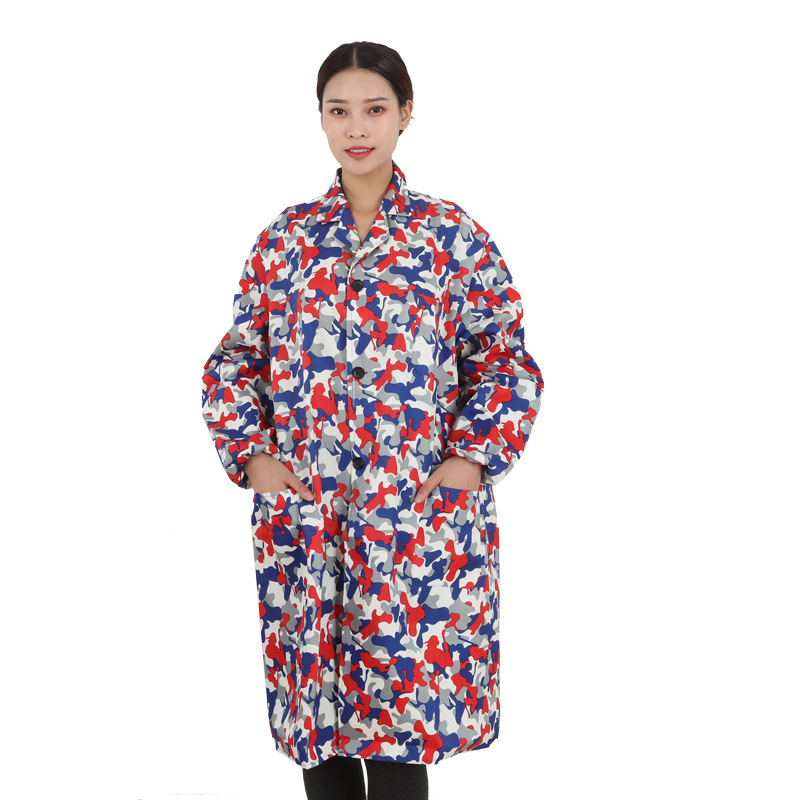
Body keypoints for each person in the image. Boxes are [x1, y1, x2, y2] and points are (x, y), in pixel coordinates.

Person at [200, 41, 544, 800]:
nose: (357, 128)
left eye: (375, 109)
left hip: (411, 523)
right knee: (319, 734)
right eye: (339, 110)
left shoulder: (450, 238)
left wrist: (471, 459)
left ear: (406, 114)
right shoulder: (285, 241)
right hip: (307, 519)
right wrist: (253, 457)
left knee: (398, 740)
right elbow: (235, 363)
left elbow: (506, 362)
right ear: (321, 118)